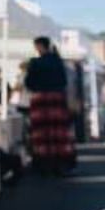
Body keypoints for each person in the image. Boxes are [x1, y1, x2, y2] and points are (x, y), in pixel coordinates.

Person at [24, 36, 76, 175]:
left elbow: (29, 82)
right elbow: (64, 81)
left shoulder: (35, 62)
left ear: (40, 46)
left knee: (42, 133)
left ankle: (44, 164)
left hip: (40, 99)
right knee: (59, 132)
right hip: (57, 98)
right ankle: (61, 163)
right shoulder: (58, 61)